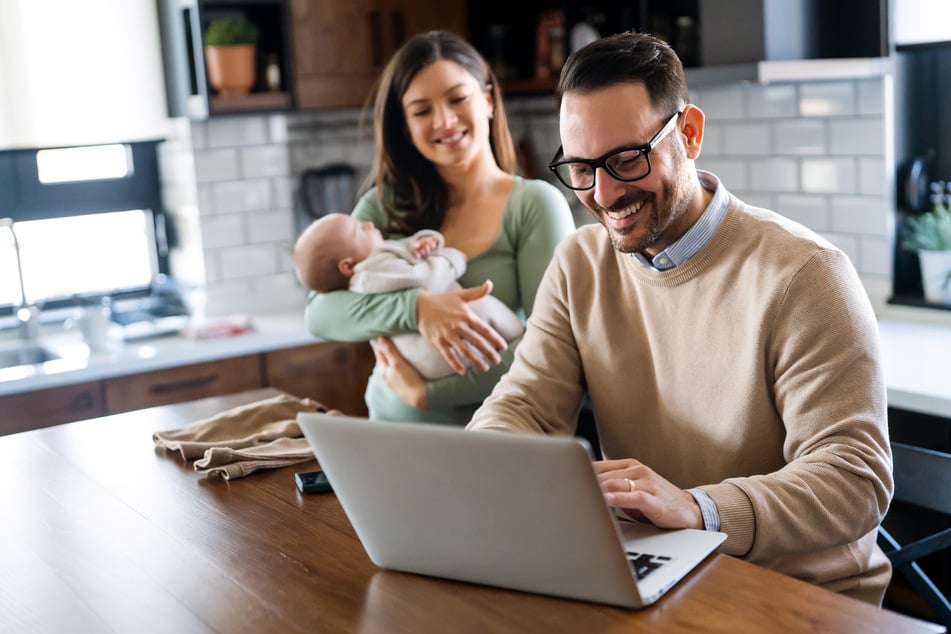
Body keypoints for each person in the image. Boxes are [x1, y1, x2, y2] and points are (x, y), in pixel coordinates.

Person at [466, 32, 894, 605]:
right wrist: (473, 470)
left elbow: (854, 479)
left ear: (688, 133)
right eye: (582, 167)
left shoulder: (806, 275)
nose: (604, 193)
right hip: (662, 578)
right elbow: (525, 406)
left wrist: (698, 508)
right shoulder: (579, 264)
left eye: (625, 159)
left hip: (798, 596)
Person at [303, 31, 575, 424]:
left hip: (498, 441)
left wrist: (427, 394)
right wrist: (418, 308)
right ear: (406, 128)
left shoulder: (534, 205)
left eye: (457, 98)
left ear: (487, 100)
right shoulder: (385, 207)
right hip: (390, 435)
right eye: (421, 110)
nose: (444, 121)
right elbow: (320, 314)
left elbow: (553, 350)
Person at [294, 213, 524, 379]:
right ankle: (518, 334)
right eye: (360, 230)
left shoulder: (374, 259)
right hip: (432, 354)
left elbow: (401, 249)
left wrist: (424, 243)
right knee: (482, 308)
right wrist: (452, 260)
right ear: (347, 266)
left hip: (435, 366)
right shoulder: (370, 273)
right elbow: (426, 280)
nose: (368, 223)